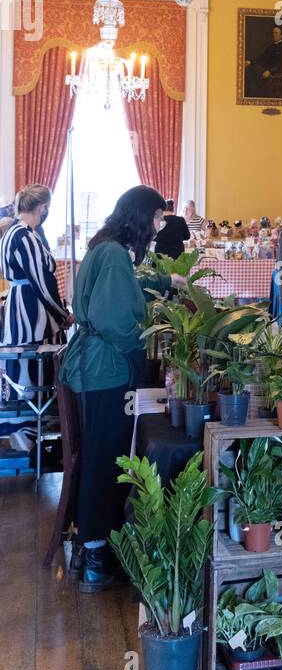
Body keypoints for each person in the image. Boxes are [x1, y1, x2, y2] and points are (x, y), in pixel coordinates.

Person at [59, 186, 186, 592]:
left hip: (92, 366)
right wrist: (145, 345)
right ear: (141, 216)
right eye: (156, 218)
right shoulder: (115, 255)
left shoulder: (107, 248)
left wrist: (166, 280)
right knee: (104, 458)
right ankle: (97, 554)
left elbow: (130, 284)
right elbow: (114, 319)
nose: (158, 226)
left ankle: (88, 547)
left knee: (100, 453)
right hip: (105, 369)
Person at [0, 185, 69, 396]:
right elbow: (42, 282)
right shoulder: (25, 236)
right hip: (31, 309)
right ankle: (33, 419)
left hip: (21, 302)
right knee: (33, 364)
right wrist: (62, 314)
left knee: (25, 362)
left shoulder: (14, 232)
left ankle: (30, 417)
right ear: (43, 207)